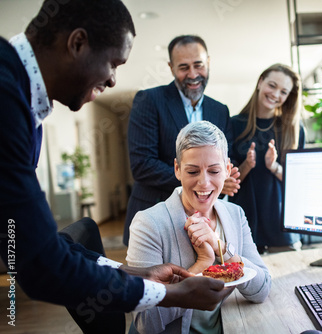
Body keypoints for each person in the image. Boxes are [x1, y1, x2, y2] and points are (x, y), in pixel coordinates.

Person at [0, 0, 232, 323]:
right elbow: (40, 264)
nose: (112, 81)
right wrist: (169, 294)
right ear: (77, 44)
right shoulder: (6, 101)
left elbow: (33, 243)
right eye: (113, 64)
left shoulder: (22, 100)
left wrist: (131, 272)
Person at [127, 121, 271, 333]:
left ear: (228, 169)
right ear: (177, 169)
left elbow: (262, 289)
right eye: (193, 172)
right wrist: (202, 264)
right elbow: (146, 323)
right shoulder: (148, 224)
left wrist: (221, 248)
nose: (204, 183)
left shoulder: (234, 214)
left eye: (214, 171)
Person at [124, 35, 240, 246]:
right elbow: (142, 165)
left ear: (209, 63)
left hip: (208, 223)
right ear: (170, 67)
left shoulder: (220, 110)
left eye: (198, 65)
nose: (193, 74)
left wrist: (224, 178)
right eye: (184, 67)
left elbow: (224, 159)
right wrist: (200, 181)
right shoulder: (149, 101)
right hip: (156, 217)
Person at [229, 63, 305, 253]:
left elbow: (299, 184)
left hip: (283, 230)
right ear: (260, 82)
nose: (276, 94)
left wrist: (274, 167)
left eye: (283, 91)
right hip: (244, 228)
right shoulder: (232, 125)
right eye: (272, 85)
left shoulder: (294, 130)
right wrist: (247, 164)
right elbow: (226, 184)